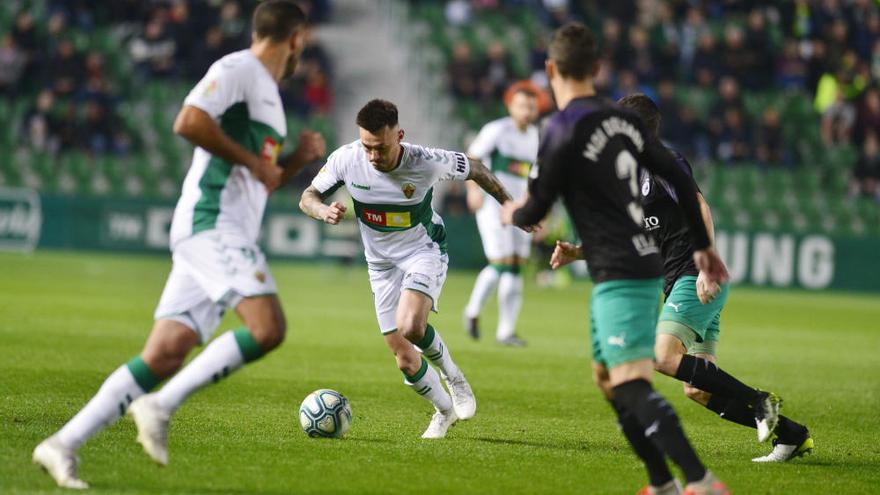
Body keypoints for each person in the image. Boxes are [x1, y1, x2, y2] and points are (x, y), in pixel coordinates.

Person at [33, 2, 326, 489]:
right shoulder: (239, 68)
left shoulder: (267, 96)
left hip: (223, 230)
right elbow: (188, 121)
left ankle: (62, 444)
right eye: (304, 41)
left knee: (165, 355)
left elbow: (262, 179)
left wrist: (296, 159)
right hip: (213, 223)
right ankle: (161, 404)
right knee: (268, 327)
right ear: (295, 36)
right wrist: (253, 163)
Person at [501, 23, 730, 495]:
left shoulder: (562, 128)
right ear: (597, 69)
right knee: (607, 378)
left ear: (550, 71)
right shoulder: (622, 123)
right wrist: (705, 250)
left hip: (623, 272)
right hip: (628, 264)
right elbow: (680, 180)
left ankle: (700, 481)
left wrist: (512, 210)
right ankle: (660, 482)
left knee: (630, 382)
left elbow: (536, 209)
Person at [553, 93, 814, 465]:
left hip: (697, 276)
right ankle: (791, 435)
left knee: (661, 357)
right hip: (680, 282)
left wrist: (708, 265)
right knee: (697, 388)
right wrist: (578, 252)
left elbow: (700, 206)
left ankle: (761, 402)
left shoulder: (665, 164)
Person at [300, 99, 526, 439]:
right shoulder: (347, 158)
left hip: (423, 250)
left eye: (381, 148)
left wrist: (511, 206)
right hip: (379, 264)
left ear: (399, 136)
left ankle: (455, 378)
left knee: (411, 325)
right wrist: (321, 211)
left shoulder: (426, 161)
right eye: (367, 147)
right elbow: (309, 195)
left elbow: (477, 168)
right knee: (404, 359)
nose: (373, 156)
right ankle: (443, 411)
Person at [463, 86, 540, 346]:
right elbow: (471, 159)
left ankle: (506, 331)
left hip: (521, 208)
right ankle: (473, 311)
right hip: (493, 205)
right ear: (511, 107)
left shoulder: (535, 137)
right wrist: (473, 189)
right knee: (502, 262)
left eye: (531, 106)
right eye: (522, 106)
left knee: (516, 265)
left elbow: (533, 175)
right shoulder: (497, 130)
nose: (527, 111)